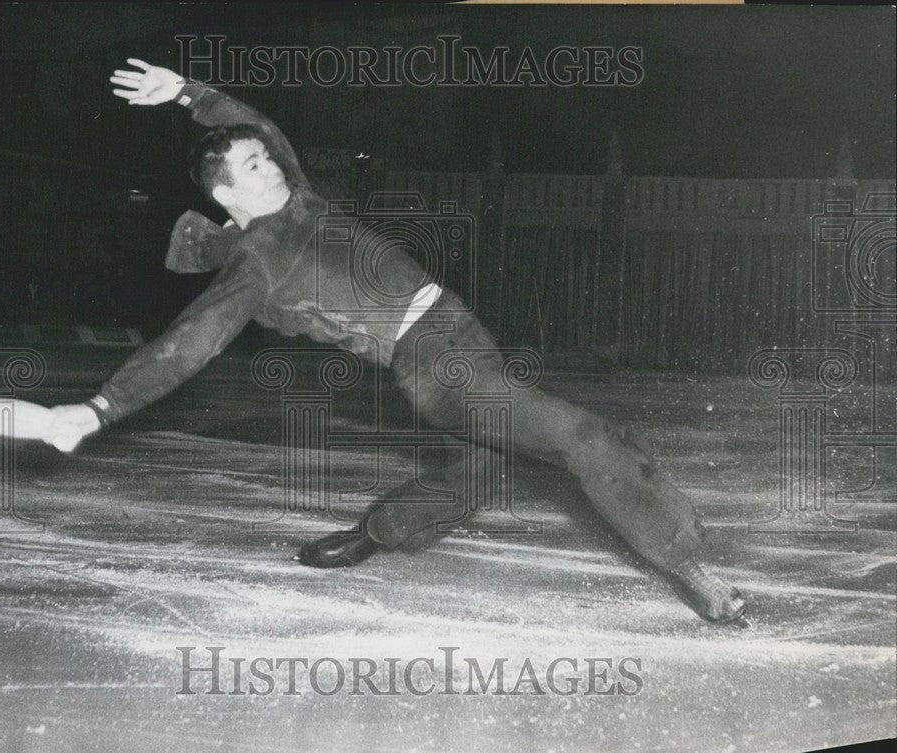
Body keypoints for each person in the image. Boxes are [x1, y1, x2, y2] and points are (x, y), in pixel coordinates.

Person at [46, 59, 747, 624]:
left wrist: (189, 93)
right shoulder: (256, 262)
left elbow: (261, 123)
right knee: (584, 439)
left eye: (268, 159)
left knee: (472, 477)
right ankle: (690, 567)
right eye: (255, 167)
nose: (275, 166)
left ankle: (377, 532)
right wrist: (100, 407)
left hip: (458, 331)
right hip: (431, 363)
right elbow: (186, 344)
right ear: (228, 196)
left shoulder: (301, 203)